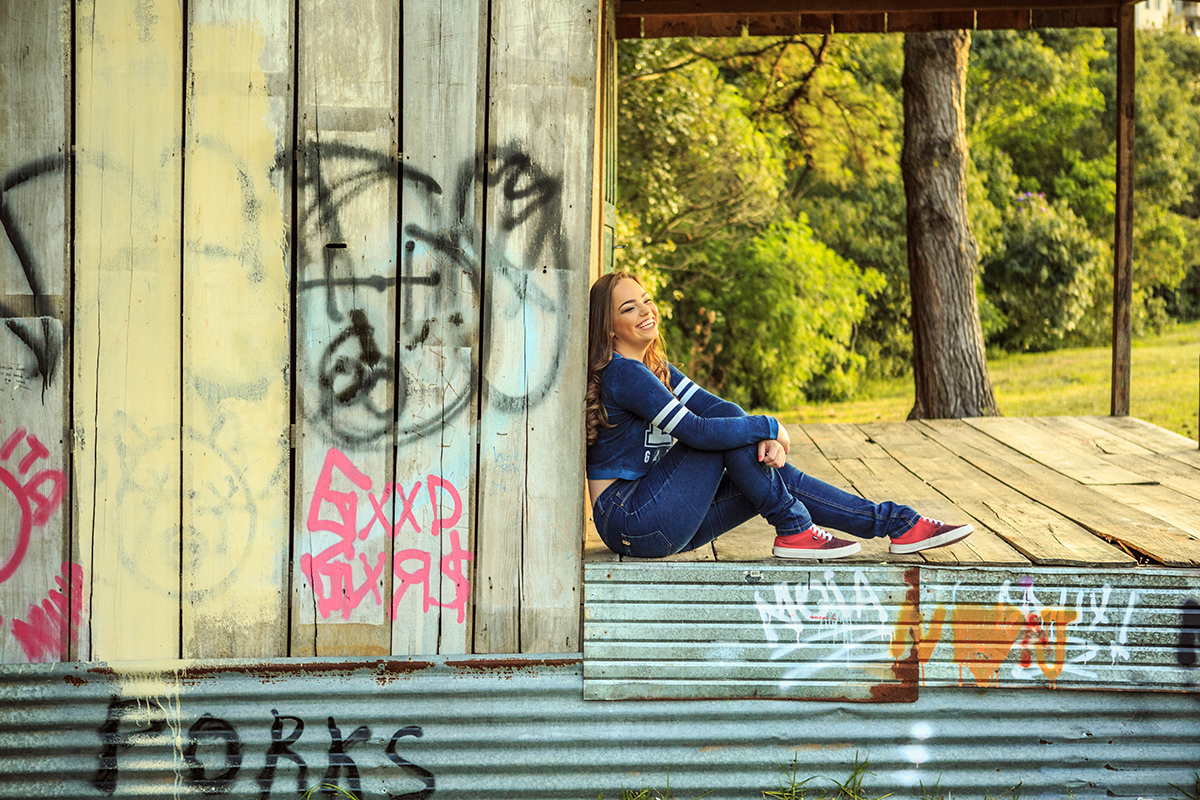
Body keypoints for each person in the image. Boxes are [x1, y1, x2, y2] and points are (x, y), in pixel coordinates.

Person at [585, 271, 973, 560]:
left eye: (646, 300)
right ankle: (798, 527)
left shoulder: (656, 368)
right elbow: (698, 432)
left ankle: (895, 524)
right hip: (630, 520)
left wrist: (759, 437)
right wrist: (769, 426)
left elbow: (720, 411)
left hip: (664, 521)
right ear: (610, 327)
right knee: (724, 437)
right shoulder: (625, 373)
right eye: (629, 308)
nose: (646, 311)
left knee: (755, 462)